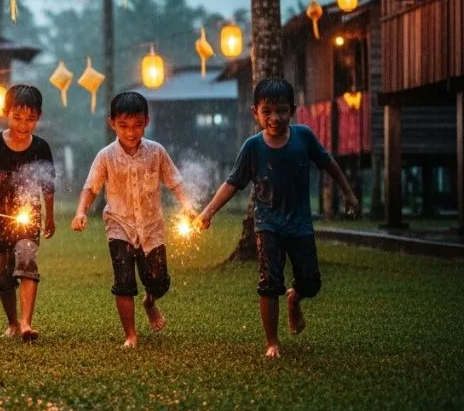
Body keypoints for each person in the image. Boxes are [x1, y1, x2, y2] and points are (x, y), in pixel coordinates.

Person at [196, 77, 360, 358]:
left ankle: (295, 297)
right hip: (267, 224)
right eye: (267, 111)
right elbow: (233, 183)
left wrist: (348, 192)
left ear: (292, 110)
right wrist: (208, 211)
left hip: (299, 224)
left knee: (311, 282)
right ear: (255, 112)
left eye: (282, 110)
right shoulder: (252, 147)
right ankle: (272, 341)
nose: (275, 118)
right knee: (269, 282)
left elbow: (328, 163)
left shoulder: (304, 137)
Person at [71, 91, 196, 348]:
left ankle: (150, 301)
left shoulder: (156, 152)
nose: (131, 132)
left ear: (146, 122)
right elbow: (91, 187)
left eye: (137, 125)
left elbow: (175, 182)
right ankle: (130, 335)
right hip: (119, 226)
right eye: (123, 126)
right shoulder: (106, 155)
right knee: (124, 281)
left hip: (152, 228)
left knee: (159, 281)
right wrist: (81, 212)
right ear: (112, 124)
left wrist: (187, 206)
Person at [0, 84, 55, 342]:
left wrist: (49, 217)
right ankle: (12, 322)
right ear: (5, 113)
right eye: (17, 117)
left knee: (27, 260)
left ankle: (26, 323)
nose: (23, 124)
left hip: (28, 218)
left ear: (38, 117)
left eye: (30, 119)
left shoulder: (41, 148)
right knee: (2, 278)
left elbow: (48, 187)